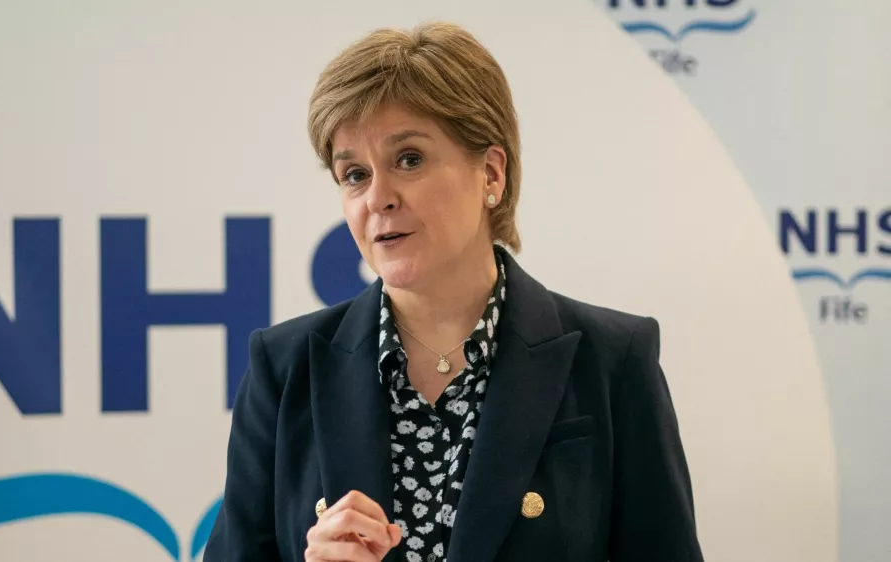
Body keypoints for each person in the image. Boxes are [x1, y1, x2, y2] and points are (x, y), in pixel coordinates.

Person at [203, 21, 703, 562]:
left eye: (409, 159)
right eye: (354, 174)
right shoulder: (284, 369)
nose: (378, 198)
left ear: (491, 174)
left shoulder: (611, 361)